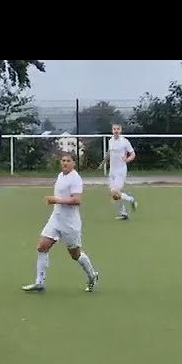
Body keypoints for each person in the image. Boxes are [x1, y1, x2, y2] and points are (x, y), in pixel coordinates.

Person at [22, 154, 99, 293]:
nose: (65, 163)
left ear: (74, 163)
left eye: (68, 161)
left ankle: (92, 275)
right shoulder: (60, 176)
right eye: (63, 160)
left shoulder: (75, 179)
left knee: (75, 254)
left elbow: (77, 200)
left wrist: (56, 200)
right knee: (42, 246)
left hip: (70, 223)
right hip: (56, 219)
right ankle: (39, 282)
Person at [106, 123, 137, 219]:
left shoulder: (124, 141)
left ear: (120, 130)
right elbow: (109, 153)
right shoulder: (110, 141)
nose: (116, 131)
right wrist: (105, 161)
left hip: (121, 170)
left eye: (118, 129)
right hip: (112, 170)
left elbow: (133, 154)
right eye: (114, 129)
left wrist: (127, 160)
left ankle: (131, 200)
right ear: (112, 130)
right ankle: (124, 213)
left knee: (116, 192)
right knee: (113, 195)